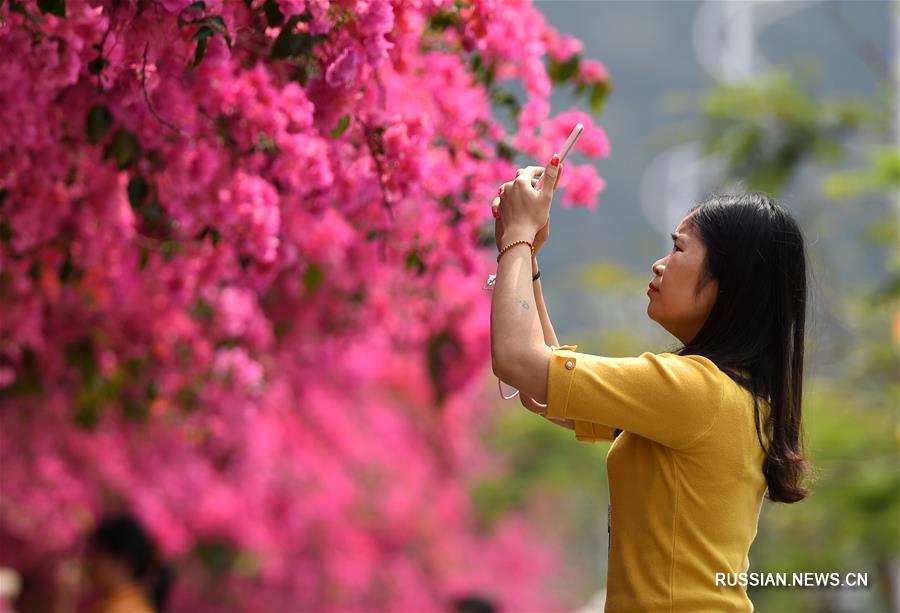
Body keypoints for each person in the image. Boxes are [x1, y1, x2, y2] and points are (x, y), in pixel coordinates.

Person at [490, 162, 811, 612]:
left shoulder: (694, 391)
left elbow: (518, 359)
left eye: (678, 249)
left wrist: (517, 238)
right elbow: (547, 387)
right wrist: (528, 259)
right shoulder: (725, 396)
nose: (659, 265)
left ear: (727, 282)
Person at [55, 514, 174, 613]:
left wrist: (64, 600)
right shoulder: (125, 603)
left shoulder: (123, 609)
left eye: (97, 553)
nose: (90, 561)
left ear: (121, 564)